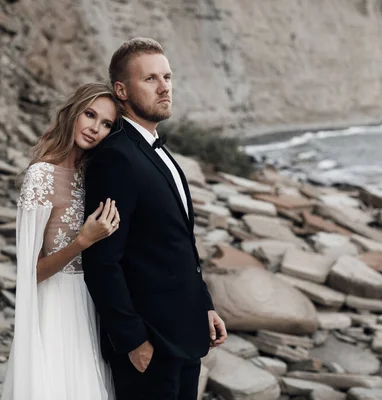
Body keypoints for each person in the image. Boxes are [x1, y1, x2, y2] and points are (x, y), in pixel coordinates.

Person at [83, 37, 228, 400]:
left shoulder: (155, 150)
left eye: (167, 77)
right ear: (122, 90)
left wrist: (204, 305)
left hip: (185, 332)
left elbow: (176, 242)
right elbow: (102, 259)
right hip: (149, 345)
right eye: (150, 79)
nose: (164, 87)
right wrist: (132, 341)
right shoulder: (115, 157)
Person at [1, 83, 120, 399]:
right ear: (73, 113)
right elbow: (32, 272)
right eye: (90, 115)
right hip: (55, 305)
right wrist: (82, 241)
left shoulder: (92, 175)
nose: (95, 129)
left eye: (106, 124)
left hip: (92, 301)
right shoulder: (41, 175)